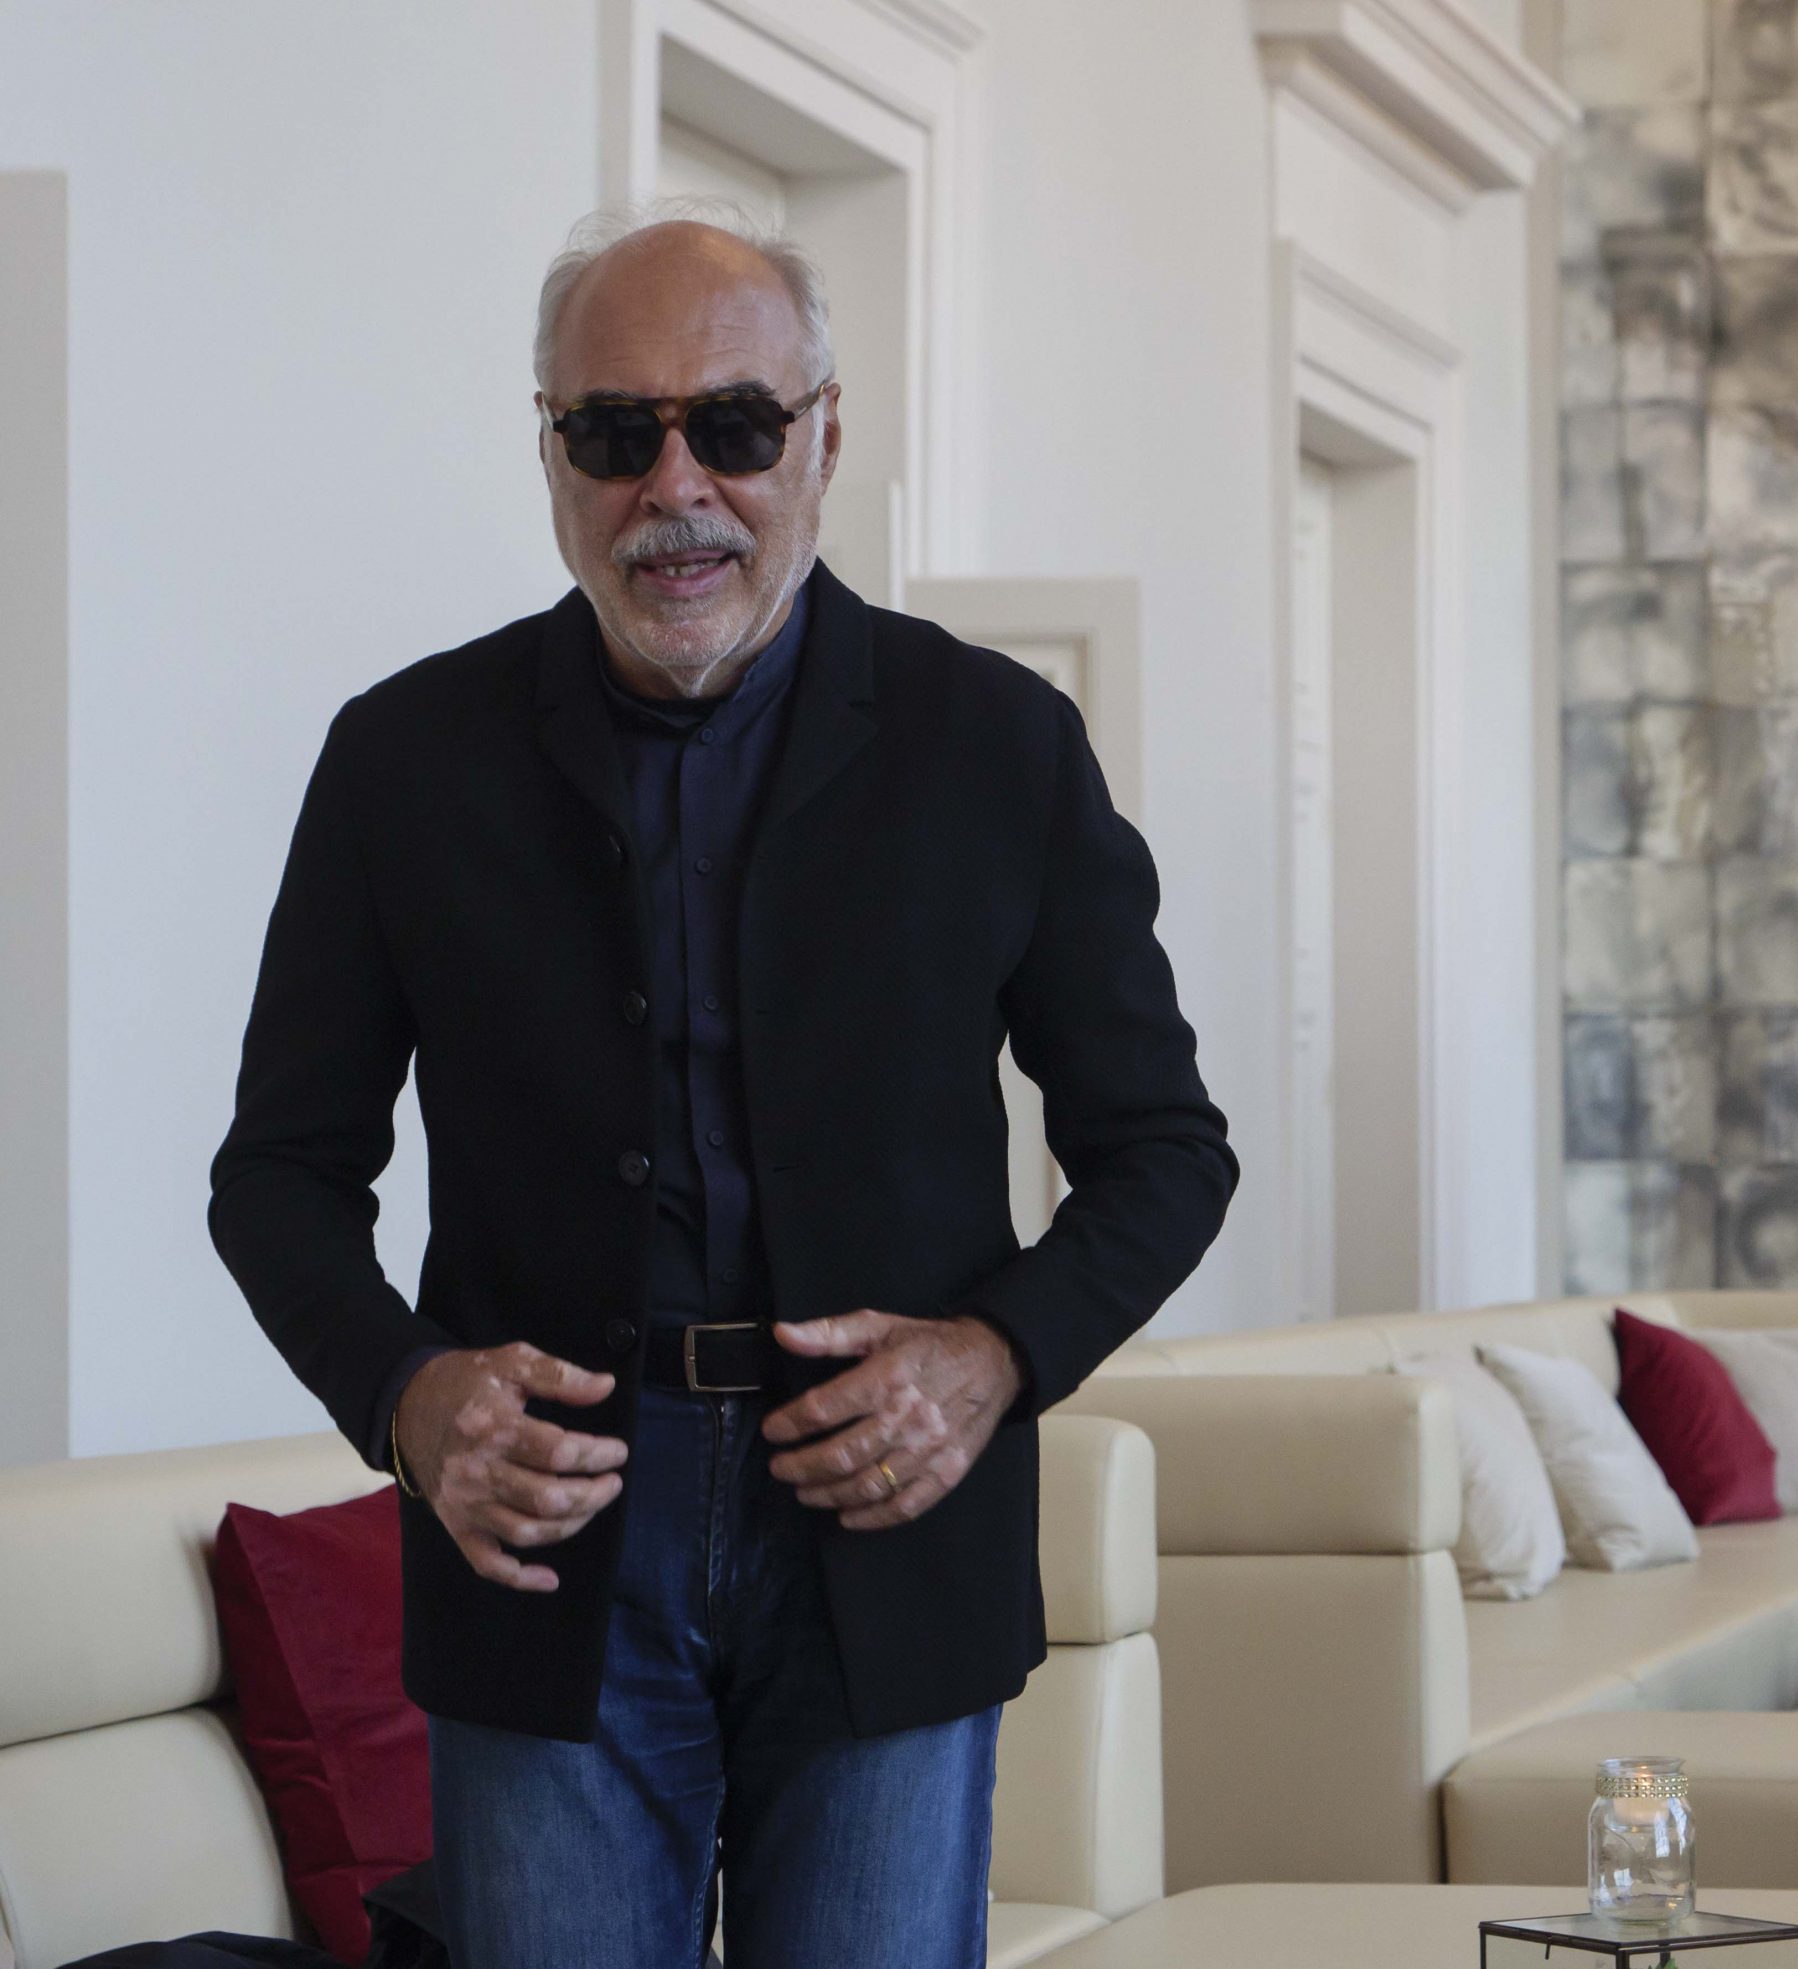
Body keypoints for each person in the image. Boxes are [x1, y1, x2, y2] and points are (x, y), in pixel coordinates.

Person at [207, 207, 1237, 1969]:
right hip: (543, 1553)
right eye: (616, 432)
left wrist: (992, 1359)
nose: (674, 487)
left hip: (891, 1537)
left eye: (736, 427)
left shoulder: (997, 744)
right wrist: (407, 1394)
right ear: (551, 452)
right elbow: (277, 1177)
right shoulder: (402, 760)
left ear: (825, 437)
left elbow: (1164, 1150)